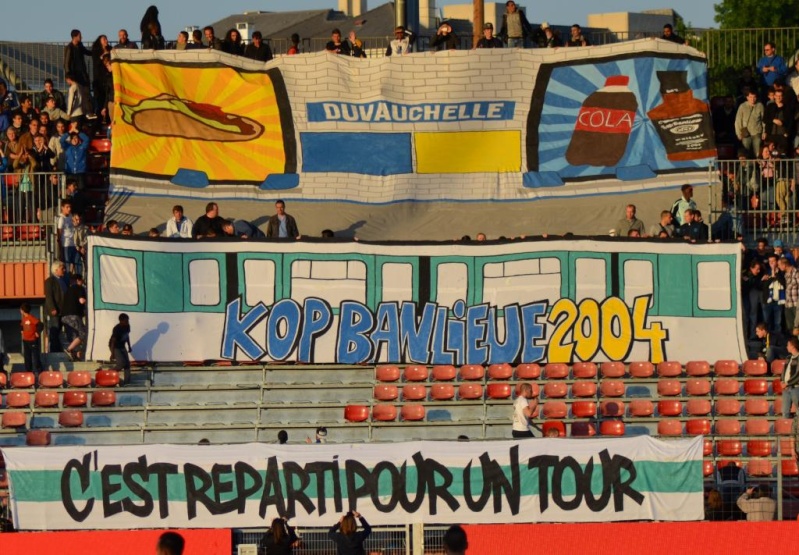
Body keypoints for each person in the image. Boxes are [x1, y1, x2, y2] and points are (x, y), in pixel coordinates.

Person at [62, 275, 87, 361]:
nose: (83, 282)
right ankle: (69, 350)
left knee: (74, 338)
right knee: (83, 334)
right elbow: (81, 301)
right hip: (74, 315)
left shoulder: (68, 290)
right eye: (82, 280)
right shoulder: (79, 288)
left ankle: (75, 356)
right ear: (78, 280)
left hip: (64, 317)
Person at [44, 261, 66, 353]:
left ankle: (59, 349)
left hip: (62, 310)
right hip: (55, 311)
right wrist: (52, 308)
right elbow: (49, 296)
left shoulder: (63, 281)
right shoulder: (50, 281)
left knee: (59, 331)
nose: (64, 270)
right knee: (54, 330)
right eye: (62, 268)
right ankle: (54, 351)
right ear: (56, 270)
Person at [19, 302, 43, 375]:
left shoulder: (31, 317)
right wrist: (22, 331)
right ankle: (28, 371)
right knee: (27, 357)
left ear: (23, 310)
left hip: (33, 340)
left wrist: (37, 332)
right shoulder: (23, 319)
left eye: (21, 309)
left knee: (35, 356)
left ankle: (40, 370)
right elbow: (21, 325)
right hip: (25, 340)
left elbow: (40, 324)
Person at [110, 313, 133, 385]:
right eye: (126, 321)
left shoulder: (127, 326)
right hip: (115, 347)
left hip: (122, 346)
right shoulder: (117, 329)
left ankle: (127, 382)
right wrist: (112, 353)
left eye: (128, 321)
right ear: (121, 321)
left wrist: (129, 346)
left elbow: (127, 336)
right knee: (121, 364)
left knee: (127, 365)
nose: (127, 322)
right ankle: (109, 372)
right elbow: (113, 342)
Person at [782, 337, 799, 418]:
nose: (786, 347)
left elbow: (798, 375)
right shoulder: (788, 358)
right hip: (786, 388)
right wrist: (782, 381)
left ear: (793, 346)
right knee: (785, 412)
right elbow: (784, 371)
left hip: (796, 388)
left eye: (788, 345)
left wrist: (787, 383)